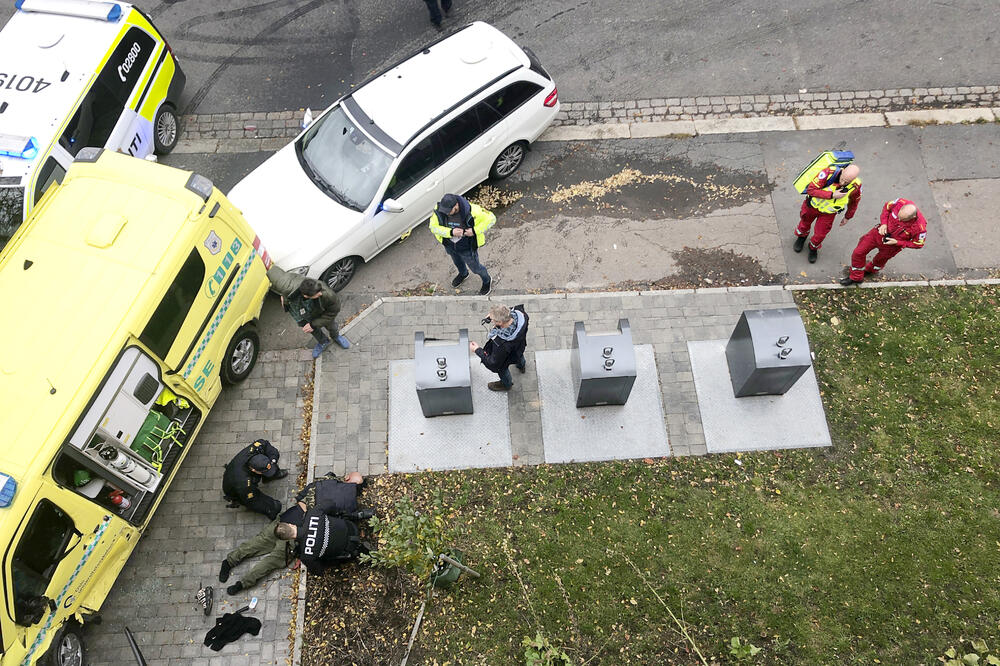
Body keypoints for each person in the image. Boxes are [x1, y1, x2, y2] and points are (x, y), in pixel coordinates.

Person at [220, 472, 369, 594]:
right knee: (267, 559)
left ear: (348, 479)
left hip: (288, 520)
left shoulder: (328, 480)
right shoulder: (348, 502)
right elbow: (337, 523)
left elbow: (306, 492)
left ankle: (233, 567)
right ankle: (238, 578)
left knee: (260, 546)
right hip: (294, 534)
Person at [267, 264, 350, 358]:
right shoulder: (287, 284)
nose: (320, 293)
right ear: (306, 296)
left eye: (319, 291)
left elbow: (332, 313)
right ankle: (323, 341)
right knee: (313, 330)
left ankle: (336, 337)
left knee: (331, 326)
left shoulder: (328, 295)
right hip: (301, 314)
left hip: (322, 313)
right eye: (317, 294)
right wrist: (284, 297)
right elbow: (273, 272)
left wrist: (313, 324)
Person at [840, 198, 927, 286]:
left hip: (892, 246)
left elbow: (918, 244)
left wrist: (897, 242)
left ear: (913, 217)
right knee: (858, 252)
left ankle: (870, 270)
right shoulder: (900, 202)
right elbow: (887, 208)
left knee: (879, 261)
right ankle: (856, 277)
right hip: (878, 234)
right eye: (898, 216)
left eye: (903, 219)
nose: (899, 220)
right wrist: (884, 224)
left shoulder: (920, 228)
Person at [429, 193, 496, 296]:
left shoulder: (473, 210)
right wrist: (450, 232)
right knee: (457, 262)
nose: (446, 214)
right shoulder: (440, 211)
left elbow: (491, 219)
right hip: (450, 246)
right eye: (445, 211)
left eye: (449, 212)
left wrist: (474, 230)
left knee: (476, 268)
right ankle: (464, 274)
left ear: (456, 206)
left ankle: (487, 280)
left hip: (467, 248)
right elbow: (433, 227)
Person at [793, 163, 862, 263]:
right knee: (804, 224)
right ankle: (801, 237)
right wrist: (832, 195)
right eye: (842, 179)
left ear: (854, 179)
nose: (842, 183)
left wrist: (848, 216)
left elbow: (854, 202)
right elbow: (811, 190)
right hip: (811, 206)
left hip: (828, 213)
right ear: (843, 171)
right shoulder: (828, 173)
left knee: (820, 234)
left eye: (847, 182)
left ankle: (813, 248)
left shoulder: (855, 186)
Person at [221, 439, 287, 520]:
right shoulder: (244, 484)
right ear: (253, 470)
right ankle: (271, 510)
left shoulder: (257, 448)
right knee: (265, 504)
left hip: (244, 473)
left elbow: (267, 446)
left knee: (270, 467)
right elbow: (254, 501)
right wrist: (272, 506)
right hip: (235, 490)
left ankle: (271, 475)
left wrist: (273, 461)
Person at [469, 304, 529, 392]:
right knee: (519, 356)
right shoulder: (522, 316)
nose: (491, 320)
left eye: (493, 320)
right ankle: (521, 366)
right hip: (519, 347)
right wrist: (494, 315)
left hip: (506, 356)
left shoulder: (501, 344)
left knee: (502, 369)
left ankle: (506, 384)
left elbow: (493, 363)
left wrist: (477, 350)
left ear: (500, 322)